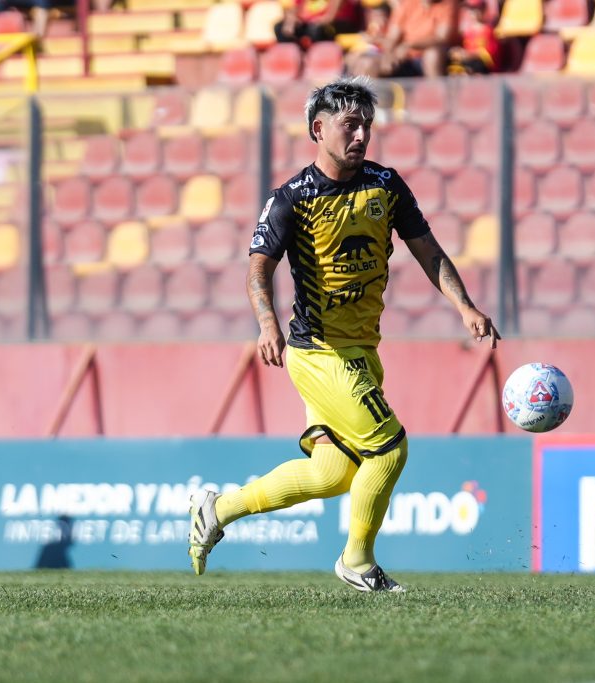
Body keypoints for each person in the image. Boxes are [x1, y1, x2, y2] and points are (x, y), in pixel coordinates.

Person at [187, 76, 499, 592]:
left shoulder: (386, 185)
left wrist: (464, 307)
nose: (361, 136)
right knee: (390, 448)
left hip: (361, 352)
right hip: (318, 351)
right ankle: (357, 561)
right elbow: (257, 269)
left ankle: (216, 509)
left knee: (333, 474)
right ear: (318, 129)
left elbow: (428, 249)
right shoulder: (292, 198)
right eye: (350, 125)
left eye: (367, 126)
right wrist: (267, 324)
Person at [348, 0, 460, 78]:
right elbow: (392, 38)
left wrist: (409, 45)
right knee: (367, 62)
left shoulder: (448, 4)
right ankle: (372, 108)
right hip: (404, 56)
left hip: (428, 56)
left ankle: (439, 100)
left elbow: (442, 38)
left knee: (433, 54)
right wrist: (389, 55)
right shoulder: (408, 4)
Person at [274, 0, 364, 48]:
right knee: (280, 28)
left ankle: (321, 62)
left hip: (337, 24)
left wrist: (327, 18)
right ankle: (292, 59)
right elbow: (294, 6)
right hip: (310, 23)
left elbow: (330, 17)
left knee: (316, 30)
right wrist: (291, 21)